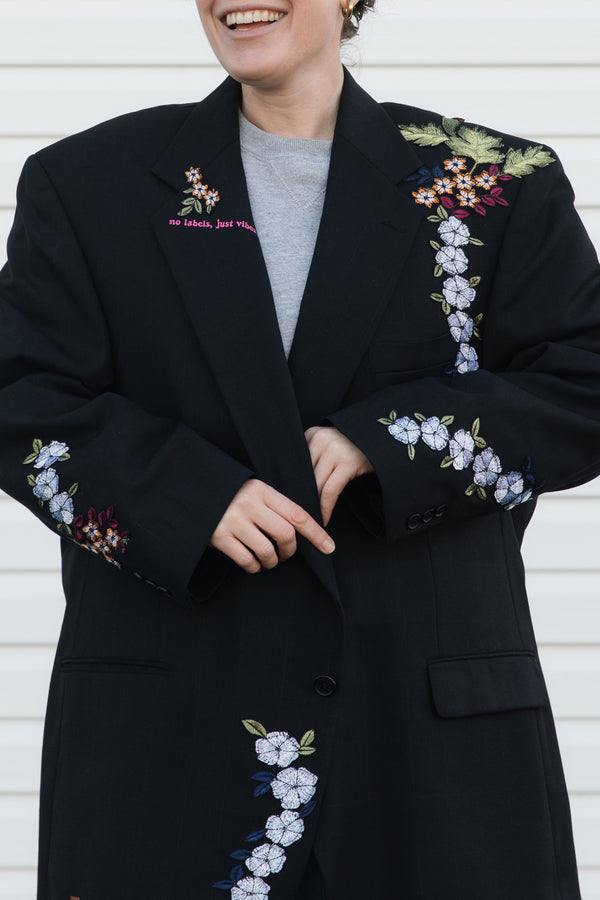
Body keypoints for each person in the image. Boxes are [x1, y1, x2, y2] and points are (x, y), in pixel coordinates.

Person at [0, 0, 599, 897]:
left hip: (428, 745)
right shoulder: (89, 183)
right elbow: (20, 398)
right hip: (168, 737)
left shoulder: (497, 182)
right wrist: (186, 497)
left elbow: (584, 386)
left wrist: (387, 442)